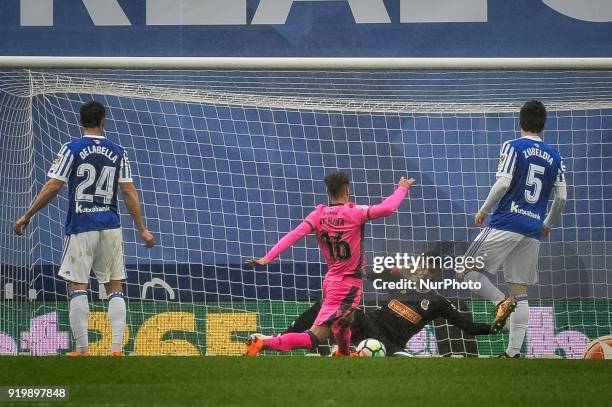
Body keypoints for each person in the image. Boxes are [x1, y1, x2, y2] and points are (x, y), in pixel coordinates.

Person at [13, 101, 156, 356]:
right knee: (115, 287)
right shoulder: (118, 151)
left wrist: (28, 215)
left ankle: (82, 349)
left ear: (81, 121)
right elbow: (128, 191)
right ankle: (115, 350)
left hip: (81, 226)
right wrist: (141, 228)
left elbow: (53, 186)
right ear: (103, 121)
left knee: (78, 286)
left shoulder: (72, 149)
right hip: (110, 226)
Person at [245, 171, 415, 356]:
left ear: (328, 191)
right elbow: (387, 208)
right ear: (346, 189)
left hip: (332, 280)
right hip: (347, 285)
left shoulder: (318, 214)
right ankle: (262, 343)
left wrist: (268, 257)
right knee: (314, 337)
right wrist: (402, 188)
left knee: (346, 320)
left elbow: (294, 235)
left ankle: (343, 352)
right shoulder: (355, 212)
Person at [462, 100, 567, 358]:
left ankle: (501, 303)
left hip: (507, 221)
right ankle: (512, 353)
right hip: (532, 228)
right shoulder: (555, 156)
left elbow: (502, 183)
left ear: (520, 122)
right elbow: (562, 197)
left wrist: (484, 209)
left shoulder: (512, 146)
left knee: (464, 269)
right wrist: (547, 224)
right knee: (520, 290)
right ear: (543, 125)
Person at [277, 258, 492, 356]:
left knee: (403, 361)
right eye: (423, 267)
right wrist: (364, 272)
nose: (424, 272)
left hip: (392, 343)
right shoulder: (401, 282)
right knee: (325, 306)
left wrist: (495, 327)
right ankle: (281, 338)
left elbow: (469, 327)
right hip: (369, 323)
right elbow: (374, 274)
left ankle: (345, 353)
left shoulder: (439, 303)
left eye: (431, 271)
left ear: (437, 276)